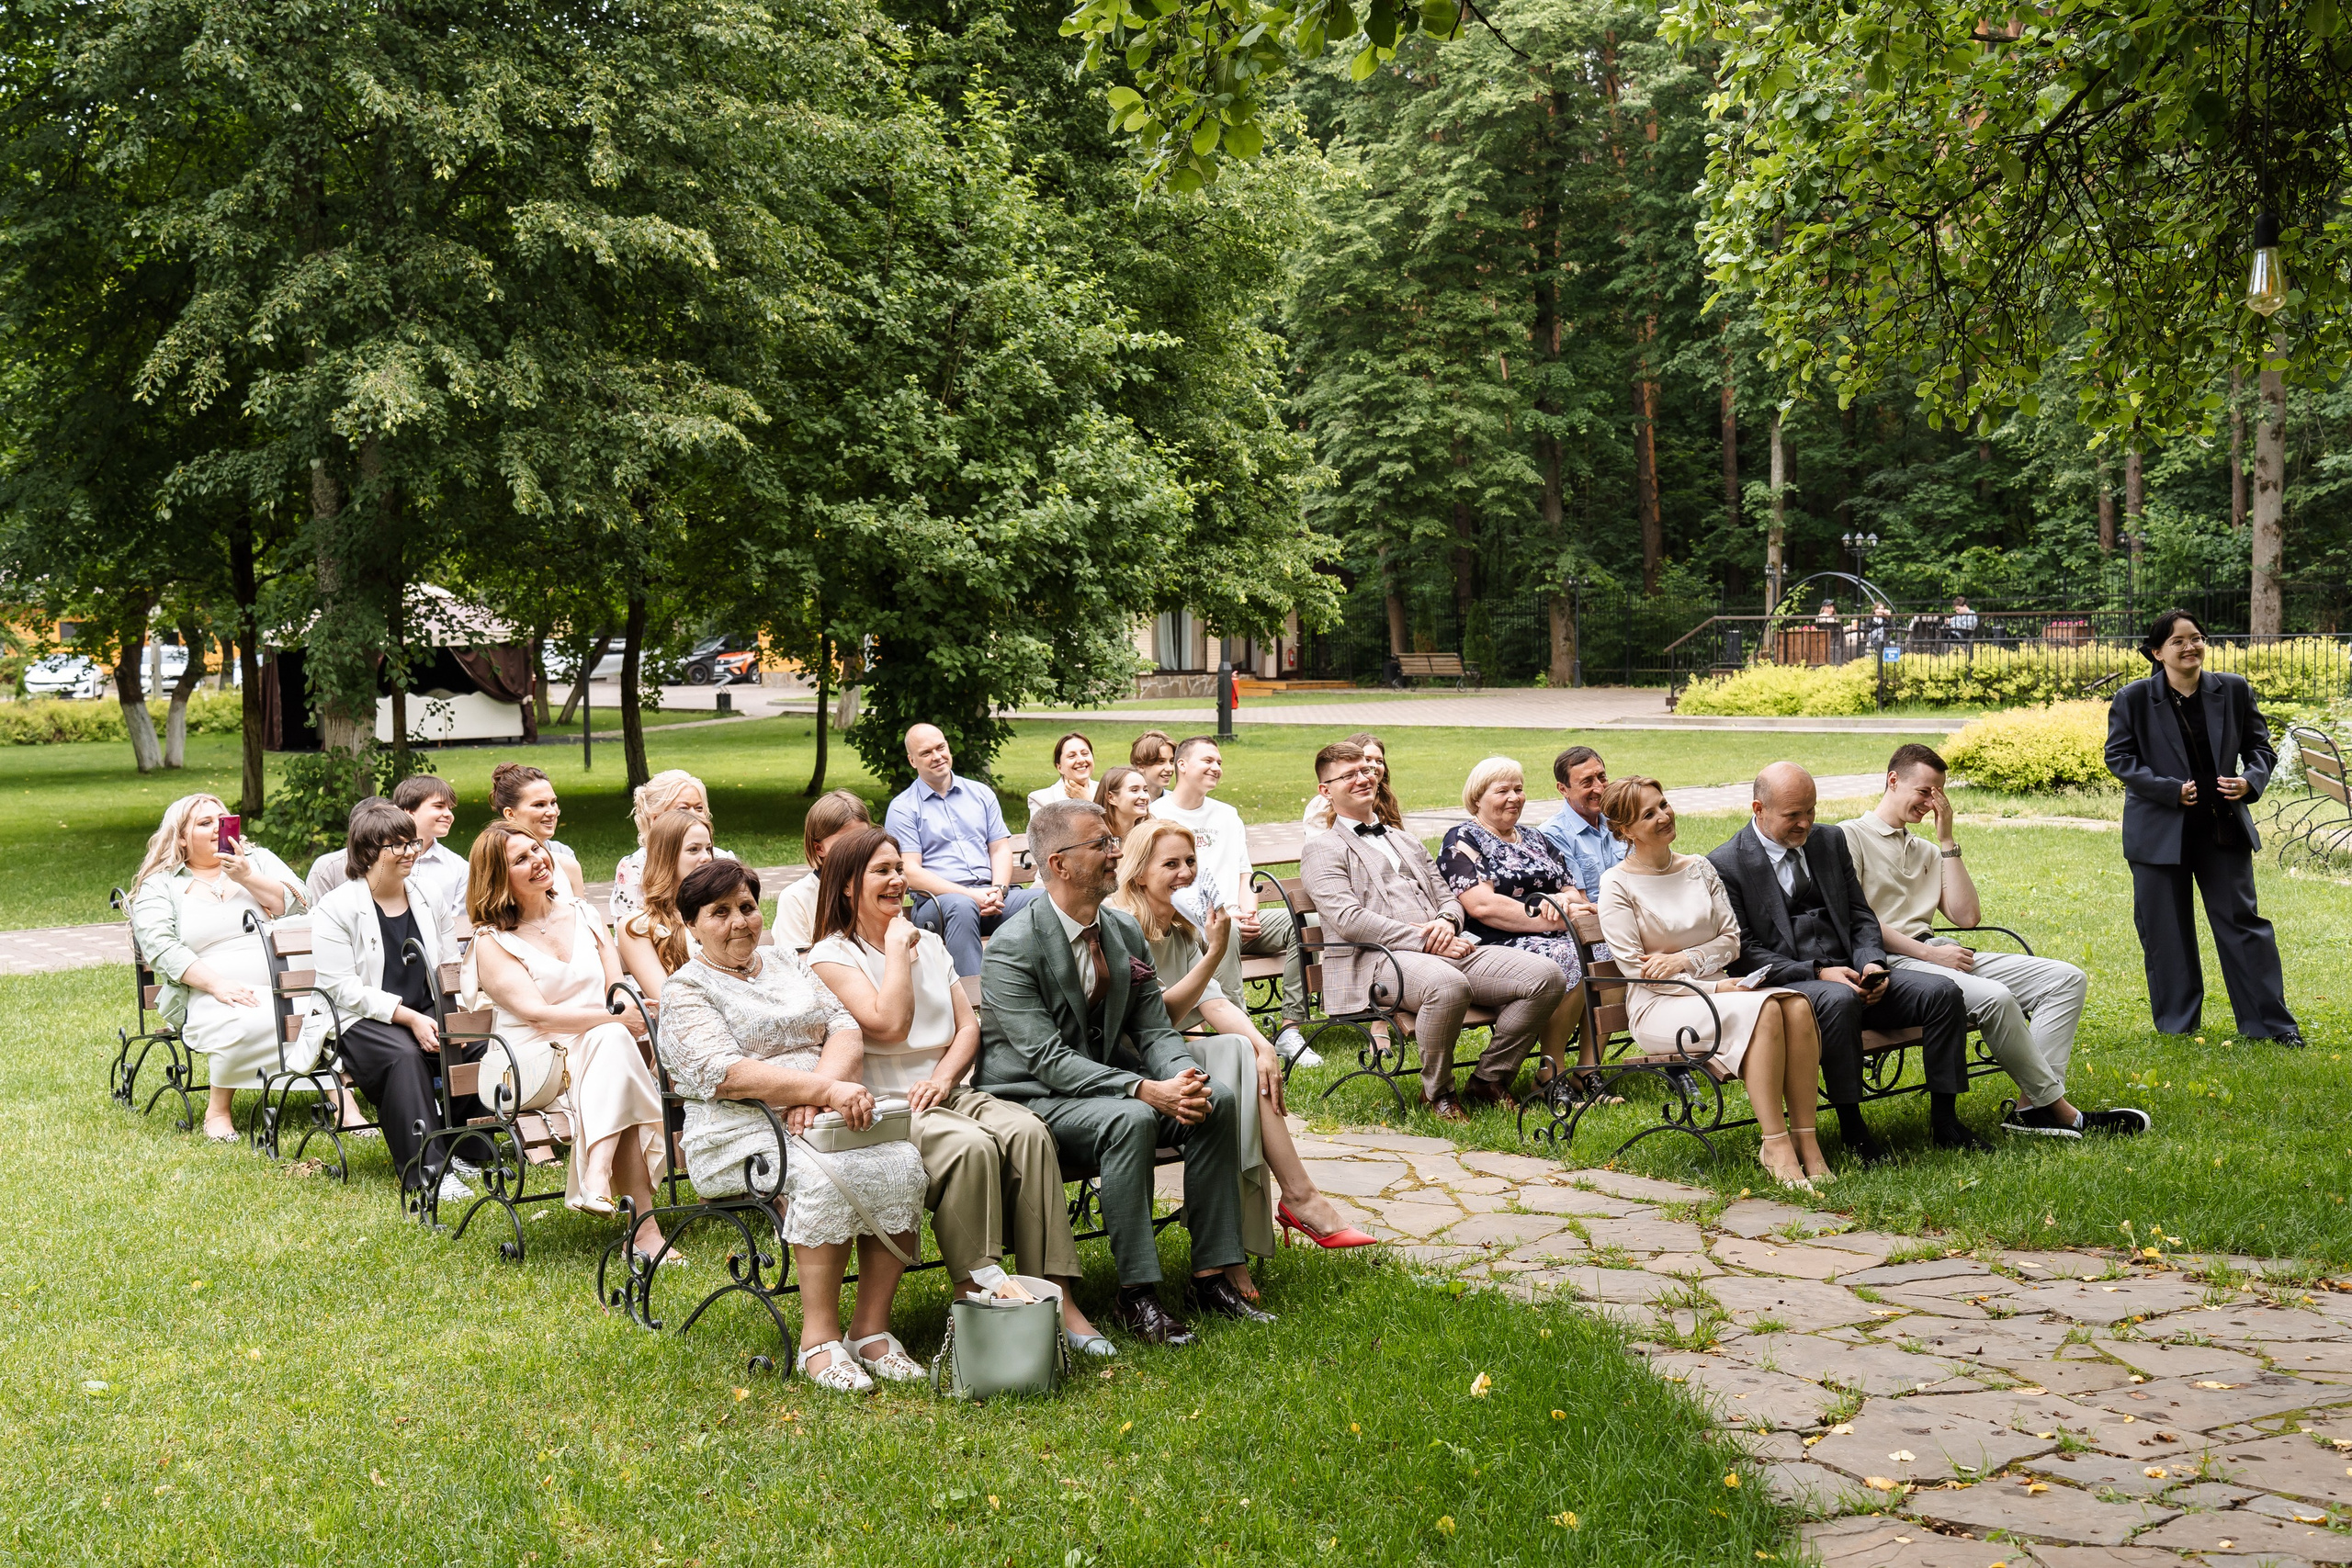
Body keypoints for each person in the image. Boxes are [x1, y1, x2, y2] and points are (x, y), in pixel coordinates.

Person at [806, 828, 1109, 1354]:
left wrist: (945, 1077)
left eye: (899, 868)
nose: (897, 880)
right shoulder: (830, 957)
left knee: (1028, 1132)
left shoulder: (932, 943)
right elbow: (888, 1025)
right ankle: (977, 1296)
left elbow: (968, 1028)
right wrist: (899, 947)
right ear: (848, 887)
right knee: (971, 1149)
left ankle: (1055, 1294)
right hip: (886, 1104)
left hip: (945, 1088)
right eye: (882, 872)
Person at [974, 799, 1265, 1347]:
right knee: (1130, 1119)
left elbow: (1153, 1028)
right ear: (1059, 864)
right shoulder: (1013, 945)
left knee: (1217, 1101)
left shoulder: (1121, 930)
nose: (1115, 853)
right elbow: (1046, 1060)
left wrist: (1183, 1080)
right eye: (1101, 844)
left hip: (1104, 1091)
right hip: (1030, 1099)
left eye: (1113, 841)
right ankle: (1139, 1294)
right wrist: (1143, 1088)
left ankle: (1211, 1276)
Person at [657, 860, 929, 1393]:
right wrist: (823, 1092)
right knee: (821, 1178)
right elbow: (727, 1074)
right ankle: (818, 1342)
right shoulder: (686, 989)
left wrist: (819, 1094)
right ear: (691, 925)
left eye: (747, 907)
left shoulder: (788, 961)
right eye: (720, 912)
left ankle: (870, 1331)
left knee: (903, 1162)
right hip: (738, 1129)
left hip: (821, 1112)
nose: (740, 922)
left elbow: (845, 1028)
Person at [1845, 744, 2149, 1139]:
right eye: (1924, 792)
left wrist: (1947, 839)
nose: (1931, 803)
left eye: (1939, 794)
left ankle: (2029, 1109)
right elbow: (1856, 918)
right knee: (1995, 997)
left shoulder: (1926, 849)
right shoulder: (1849, 836)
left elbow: (1967, 916)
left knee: (2065, 978)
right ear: (1892, 780)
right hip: (1891, 962)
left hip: (1937, 953)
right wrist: (1929, 954)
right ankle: (2060, 1112)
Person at [1108, 818, 1376, 1264]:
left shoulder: (1183, 925)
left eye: (1190, 861)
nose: (1186, 873)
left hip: (1169, 1056)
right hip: (1129, 1065)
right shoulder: (1120, 925)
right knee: (1234, 1056)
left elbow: (1214, 1004)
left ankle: (1272, 1216)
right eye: (1170, 863)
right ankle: (1293, 1203)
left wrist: (1263, 1044)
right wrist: (1216, 952)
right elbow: (1155, 1020)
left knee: (1244, 1052)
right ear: (1138, 873)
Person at [1705, 762, 1979, 1162]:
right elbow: (1745, 951)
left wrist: (1872, 963)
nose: (1805, 824)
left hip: (1853, 973)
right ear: (1758, 808)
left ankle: (1945, 1121)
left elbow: (1860, 915)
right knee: (1838, 1000)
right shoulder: (1728, 863)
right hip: (1791, 984)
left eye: (1811, 811)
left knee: (1942, 993)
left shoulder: (1829, 841)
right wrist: (1817, 972)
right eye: (1793, 815)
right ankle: (1853, 1129)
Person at [1299, 742, 1565, 1122]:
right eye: (1348, 775)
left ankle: (1490, 1077)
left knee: (1546, 976)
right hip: (1379, 959)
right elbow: (1349, 920)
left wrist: (1446, 922)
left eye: (1366, 770)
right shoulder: (1322, 849)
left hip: (1446, 944)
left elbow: (1449, 896)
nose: (1362, 779)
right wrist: (1426, 940)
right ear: (1326, 790)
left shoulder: (1403, 839)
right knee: (1447, 985)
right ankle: (1437, 1091)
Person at [1596, 778, 1830, 1189]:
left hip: (1722, 989)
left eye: (1664, 805)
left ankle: (1806, 1142)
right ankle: (1775, 1145)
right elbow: (1637, 970)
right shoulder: (1617, 884)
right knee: (1767, 1008)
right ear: (1625, 831)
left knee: (1795, 1004)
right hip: (1661, 1006)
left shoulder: (1699, 867)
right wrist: (1714, 986)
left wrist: (1684, 959)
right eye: (1648, 814)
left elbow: (1731, 940)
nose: (1664, 816)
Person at [465, 822, 670, 1261]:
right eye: (520, 859)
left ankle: (613, 1197)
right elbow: (538, 1014)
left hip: (601, 1051)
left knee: (612, 1049)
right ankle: (632, 1216)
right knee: (613, 1040)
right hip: (527, 1063)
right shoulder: (491, 941)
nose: (538, 860)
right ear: (498, 879)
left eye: (536, 849)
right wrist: (617, 1022)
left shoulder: (583, 914)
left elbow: (616, 992)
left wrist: (630, 1016)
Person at [2106, 609, 2301, 1046]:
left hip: (2222, 827)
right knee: (2165, 931)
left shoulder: (2232, 689)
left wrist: (2251, 780)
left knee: (2243, 926)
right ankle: (2178, 1026)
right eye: (2178, 641)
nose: (2190, 646)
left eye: (2195, 637)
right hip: (2158, 833)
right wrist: (2168, 790)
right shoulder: (2133, 698)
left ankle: (2271, 1028)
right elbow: (2119, 758)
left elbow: (2259, 748)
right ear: (2157, 653)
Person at [306, 798, 476, 1200]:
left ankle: (468, 1149)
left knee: (479, 1044)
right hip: (357, 1018)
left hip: (426, 1005)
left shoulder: (427, 893)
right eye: (396, 846)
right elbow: (341, 988)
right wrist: (410, 1019)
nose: (410, 853)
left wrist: (458, 1014)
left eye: (412, 843)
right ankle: (428, 1168)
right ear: (367, 852)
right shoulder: (337, 907)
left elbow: (450, 962)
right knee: (405, 1056)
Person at [129, 794, 311, 1141]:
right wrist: (217, 985)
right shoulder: (162, 884)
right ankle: (218, 1109)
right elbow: (160, 947)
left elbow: (299, 905)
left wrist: (246, 877)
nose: (217, 828)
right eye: (204, 823)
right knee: (246, 1017)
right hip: (204, 990)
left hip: (282, 981)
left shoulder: (256, 860)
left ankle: (343, 1103)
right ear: (181, 837)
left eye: (222, 819)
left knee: (319, 1015)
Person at [1149, 737, 1316, 1066]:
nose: (1216, 767)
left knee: (1303, 924)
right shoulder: (1157, 815)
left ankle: (1290, 1028)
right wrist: (1227, 918)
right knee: (1227, 931)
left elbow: (1244, 874)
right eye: (1208, 760)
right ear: (1181, 764)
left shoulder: (1227, 814)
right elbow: (1163, 884)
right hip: (1189, 922)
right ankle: (1239, 1033)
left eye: (1220, 763)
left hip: (1236, 914)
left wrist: (1248, 910)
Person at [1437, 757, 1589, 1083]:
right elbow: (1483, 906)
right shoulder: (1463, 839)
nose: (1514, 797)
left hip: (1555, 931)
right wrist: (1553, 920)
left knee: (1605, 954)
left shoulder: (1535, 838)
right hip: (1494, 942)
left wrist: (1563, 900)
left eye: (1519, 789)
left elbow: (1575, 894)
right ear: (1477, 797)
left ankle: (1589, 1067)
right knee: (1569, 955)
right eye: (1502, 790)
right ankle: (1554, 1070)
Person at [884, 724, 1039, 977]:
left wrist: (999, 890)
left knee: (1043, 900)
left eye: (941, 747)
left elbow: (1000, 849)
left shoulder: (981, 793)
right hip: (939, 904)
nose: (937, 757)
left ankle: (1043, 990)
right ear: (912, 761)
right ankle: (976, 1004)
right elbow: (910, 872)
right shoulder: (903, 808)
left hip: (993, 897)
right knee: (962, 906)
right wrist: (971, 895)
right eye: (926, 753)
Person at [305, 776, 467, 927]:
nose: (449, 814)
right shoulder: (334, 879)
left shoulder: (456, 870)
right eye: (438, 806)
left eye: (450, 808)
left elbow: (456, 933)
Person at [616, 808, 718, 998]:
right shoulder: (638, 925)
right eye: (693, 849)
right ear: (666, 856)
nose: (706, 857)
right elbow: (665, 999)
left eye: (708, 848)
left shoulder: (721, 909)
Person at [611, 770, 736, 925]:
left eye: (699, 808)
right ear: (656, 819)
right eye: (683, 809)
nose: (694, 815)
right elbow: (630, 932)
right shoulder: (634, 867)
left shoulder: (723, 861)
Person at [775, 790, 873, 953]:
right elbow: (796, 966)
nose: (858, 851)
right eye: (845, 844)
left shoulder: (879, 887)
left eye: (864, 841)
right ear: (819, 848)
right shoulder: (796, 898)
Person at [1535, 746, 1623, 908]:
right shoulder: (1552, 835)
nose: (1599, 788)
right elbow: (1581, 901)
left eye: (1602, 778)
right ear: (1563, 789)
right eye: (1587, 782)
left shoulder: (1619, 820)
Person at [492, 761, 587, 900]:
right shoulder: (494, 858)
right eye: (539, 805)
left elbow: (582, 913)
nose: (552, 812)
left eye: (553, 802)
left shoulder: (562, 852)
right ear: (510, 814)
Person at [1303, 730, 1400, 838]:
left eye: (1379, 761)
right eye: (1367, 760)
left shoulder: (1385, 798)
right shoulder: (1323, 804)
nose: (1374, 766)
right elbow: (1319, 847)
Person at [1026, 731, 1101, 816]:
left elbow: (1113, 829)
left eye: (1085, 753)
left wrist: (1087, 801)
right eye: (1072, 756)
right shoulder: (1041, 799)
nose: (1081, 760)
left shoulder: (1108, 793)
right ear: (1059, 767)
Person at [1095, 766, 1156, 841]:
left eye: (1145, 790)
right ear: (1111, 798)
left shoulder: (1153, 835)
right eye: (1134, 790)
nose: (1145, 797)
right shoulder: (1094, 839)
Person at [1128, 730, 1177, 796]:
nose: (1169, 768)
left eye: (1171, 761)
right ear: (1141, 766)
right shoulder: (1127, 803)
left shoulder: (1175, 801)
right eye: (1161, 762)